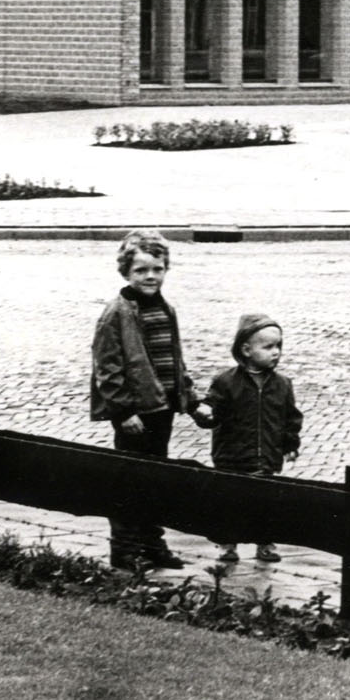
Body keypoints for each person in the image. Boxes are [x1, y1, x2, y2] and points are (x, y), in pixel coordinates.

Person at [89, 229, 201, 571]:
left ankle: (153, 544)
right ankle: (125, 549)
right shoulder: (117, 313)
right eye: (141, 270)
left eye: (157, 268)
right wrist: (122, 411)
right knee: (128, 482)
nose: (151, 276)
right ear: (126, 272)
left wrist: (190, 397)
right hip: (135, 415)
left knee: (156, 481)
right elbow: (107, 368)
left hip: (162, 409)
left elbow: (174, 358)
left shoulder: (165, 308)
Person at [194, 311, 301, 567]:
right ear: (246, 350)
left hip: (266, 456)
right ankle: (227, 545)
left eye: (279, 346)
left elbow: (291, 417)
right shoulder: (225, 382)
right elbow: (212, 411)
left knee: (264, 503)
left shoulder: (283, 384)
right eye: (268, 347)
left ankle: (265, 544)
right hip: (232, 456)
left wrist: (290, 444)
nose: (276, 352)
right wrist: (202, 412)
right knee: (229, 504)